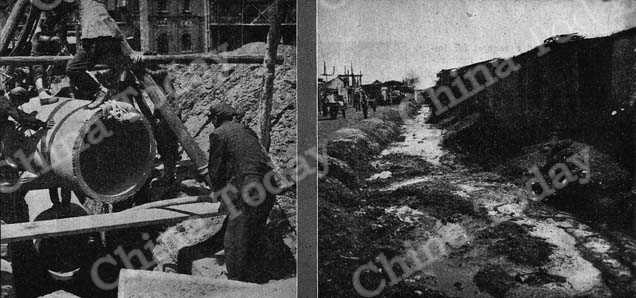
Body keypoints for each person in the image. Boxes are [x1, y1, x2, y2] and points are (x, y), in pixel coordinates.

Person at [177, 103, 277, 283]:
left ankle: (237, 282)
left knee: (234, 239)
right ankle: (259, 275)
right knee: (255, 232)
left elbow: (216, 170)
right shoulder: (247, 130)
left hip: (249, 189)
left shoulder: (218, 134)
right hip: (269, 185)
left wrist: (217, 192)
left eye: (212, 120)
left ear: (216, 119)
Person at [65, 0, 142, 109]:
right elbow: (114, 28)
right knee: (78, 70)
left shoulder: (92, 6)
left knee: (73, 68)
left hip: (96, 41)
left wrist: (130, 51)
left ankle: (100, 92)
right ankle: (103, 94)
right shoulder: (91, 7)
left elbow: (113, 27)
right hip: (101, 42)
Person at [30, 1, 73, 104]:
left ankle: (67, 88)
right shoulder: (41, 13)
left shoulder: (59, 12)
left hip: (53, 42)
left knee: (66, 61)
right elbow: (37, 34)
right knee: (38, 66)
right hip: (41, 42)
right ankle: (42, 93)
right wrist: (53, 38)